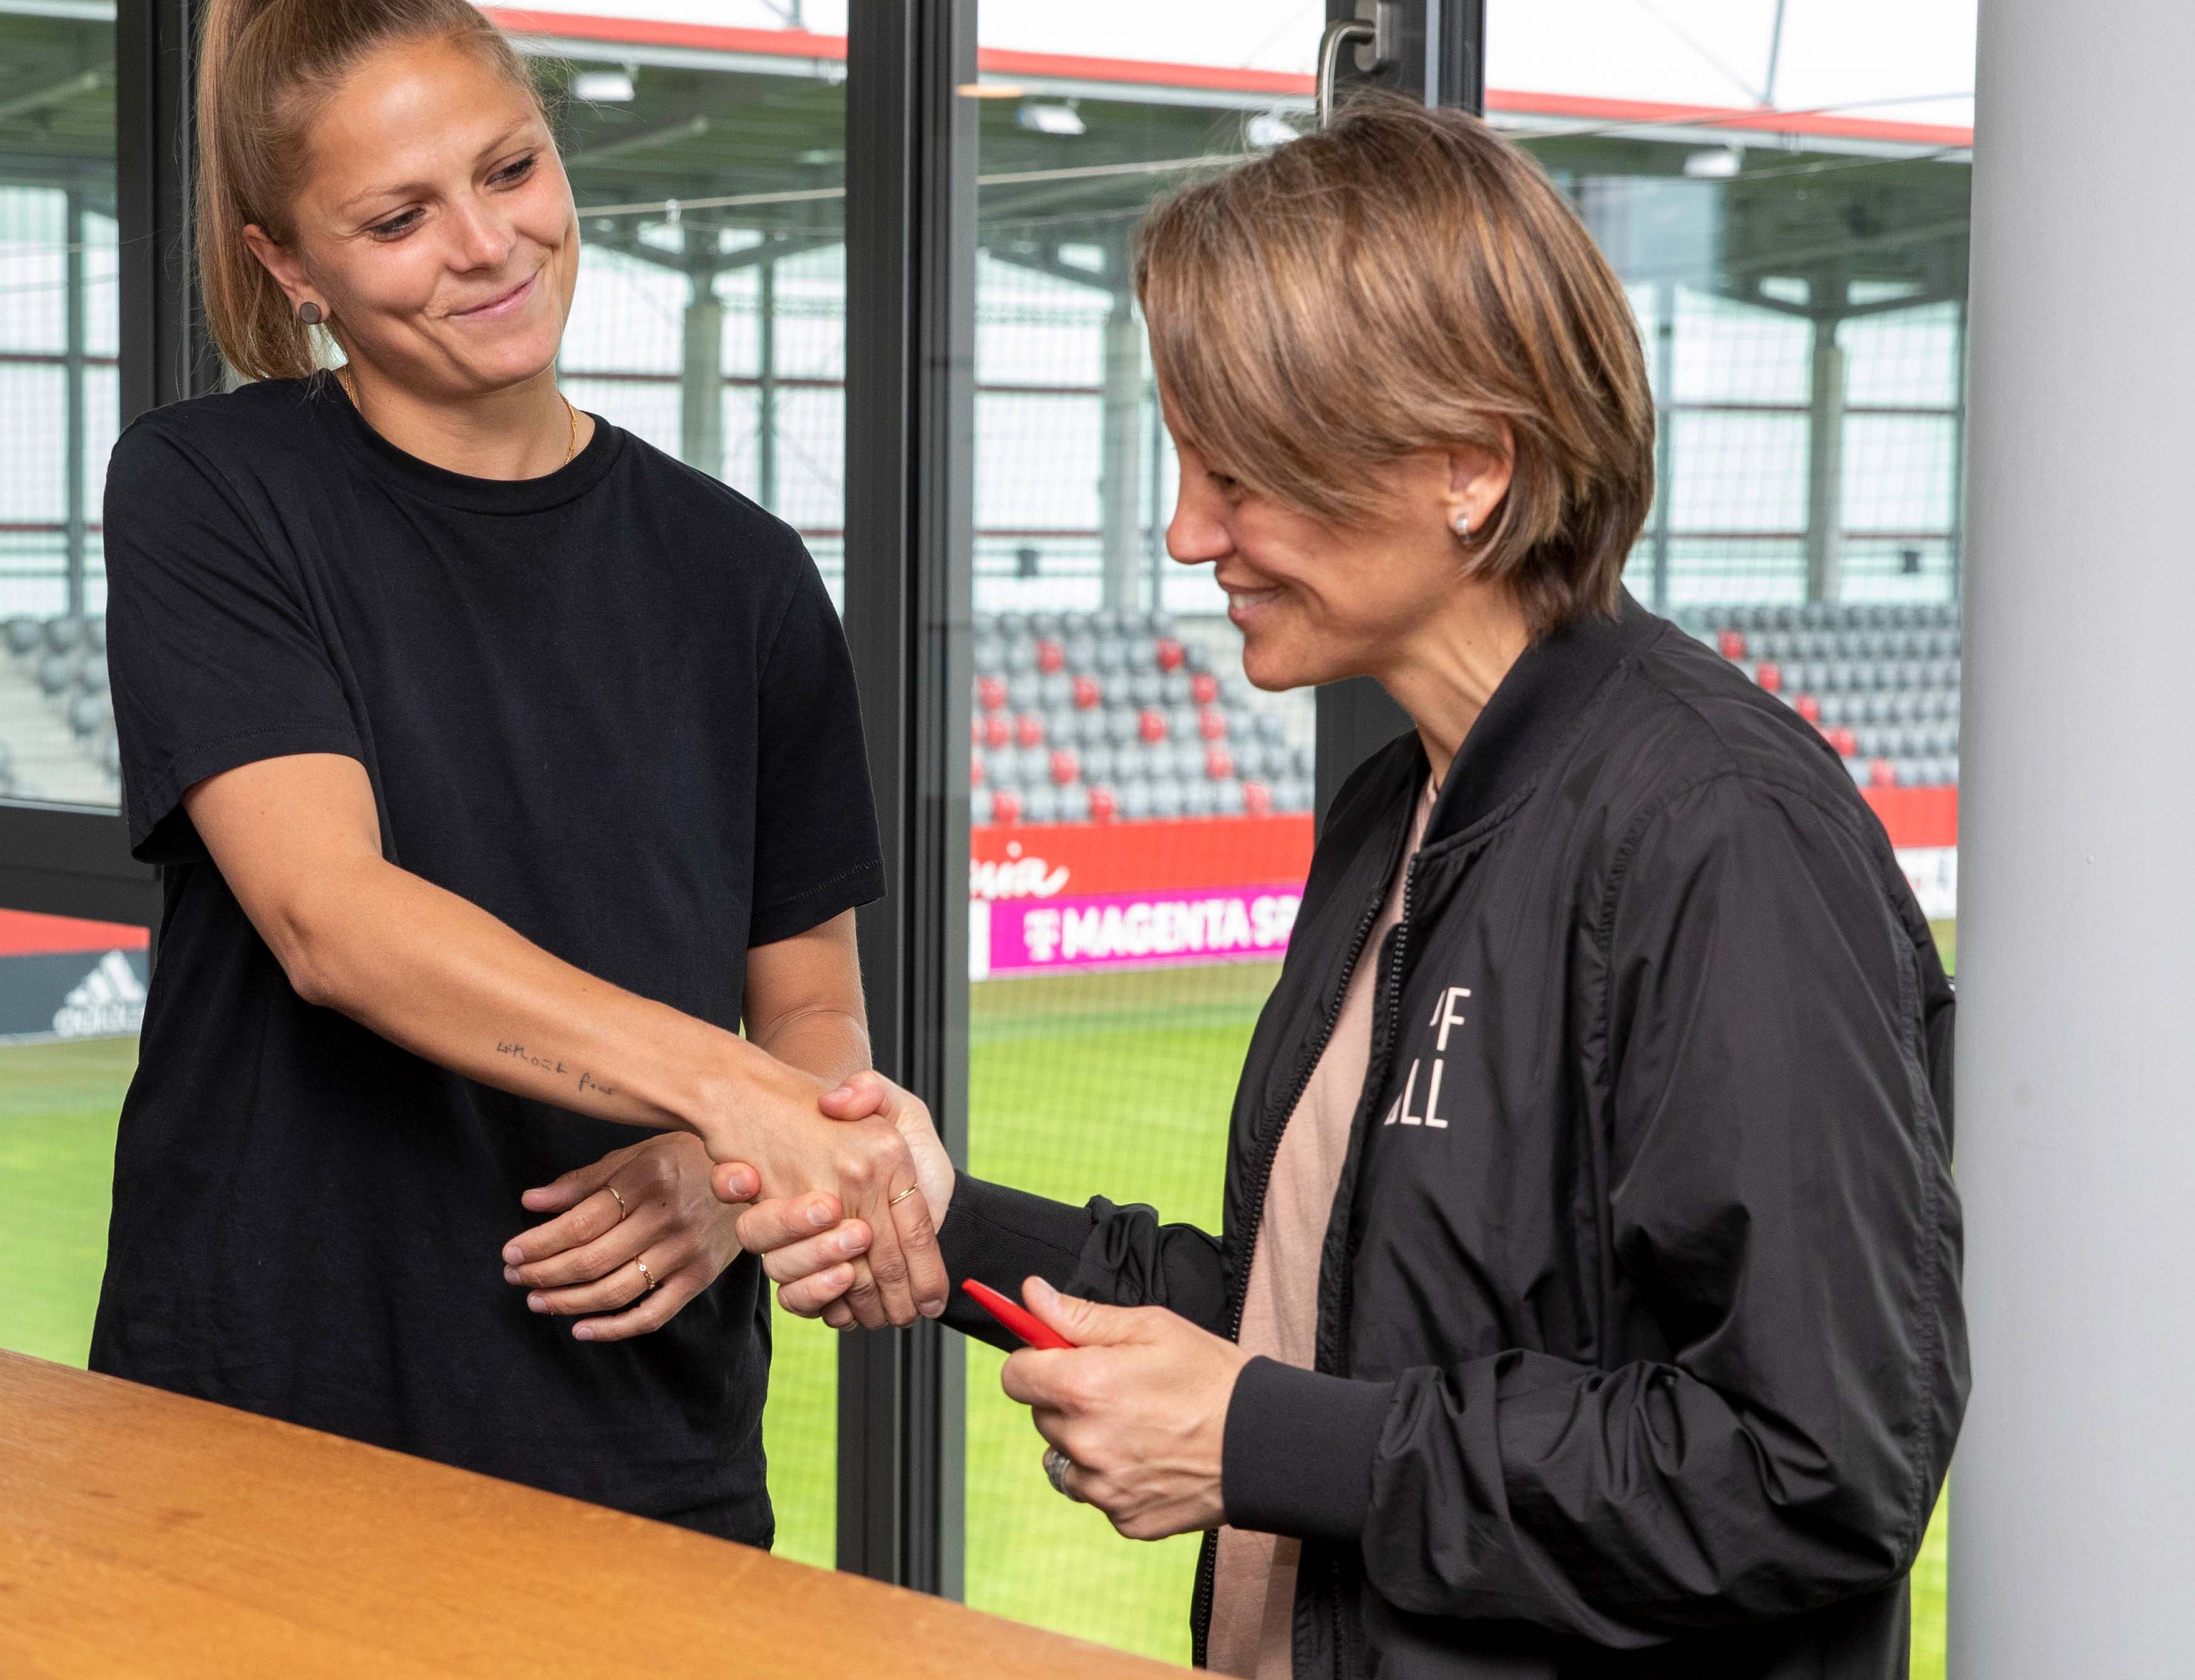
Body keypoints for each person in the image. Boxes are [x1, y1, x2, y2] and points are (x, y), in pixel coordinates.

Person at [738, 97, 1966, 1677]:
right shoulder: (1400, 802)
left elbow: (1817, 1471)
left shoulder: (1719, 833)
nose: (1189, 536)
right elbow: (1320, 1319)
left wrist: (1271, 1450)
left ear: (1471, 467)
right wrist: (936, 1218)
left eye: (1241, 473)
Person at [93, 0, 944, 1551]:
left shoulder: (745, 571)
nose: (485, 245)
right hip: (269, 1403)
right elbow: (326, 917)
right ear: (289, 263)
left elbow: (813, 1001)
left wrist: (728, 1167)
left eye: (512, 168)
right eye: (398, 218)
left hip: (638, 1426)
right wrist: (730, 1092)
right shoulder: (213, 490)